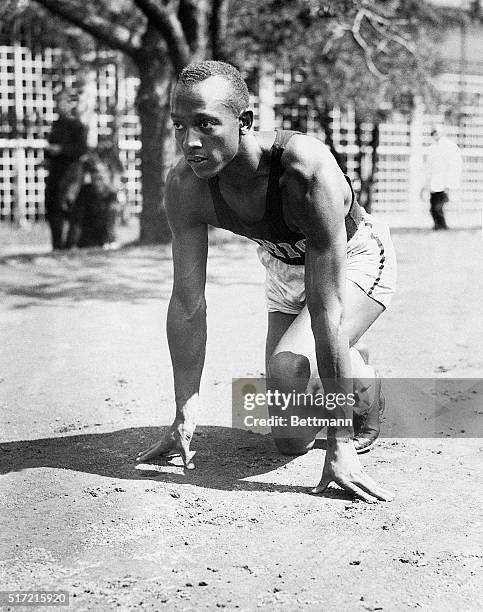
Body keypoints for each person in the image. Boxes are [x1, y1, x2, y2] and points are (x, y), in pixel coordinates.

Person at [136, 61, 397, 503]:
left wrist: (339, 445)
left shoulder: (305, 170)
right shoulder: (185, 184)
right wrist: (185, 412)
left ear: (244, 122)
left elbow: (327, 310)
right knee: (290, 439)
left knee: (285, 366)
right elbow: (186, 304)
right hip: (282, 267)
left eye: (205, 124)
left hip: (352, 259)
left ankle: (361, 383)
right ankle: (345, 360)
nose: (190, 142)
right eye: (179, 126)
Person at [44, 91, 88, 249]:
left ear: (71, 104)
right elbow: (49, 146)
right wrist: (48, 155)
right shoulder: (56, 125)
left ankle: (71, 244)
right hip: (56, 172)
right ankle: (57, 245)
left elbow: (82, 149)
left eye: (63, 101)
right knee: (52, 206)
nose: (59, 105)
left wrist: (62, 150)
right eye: (58, 101)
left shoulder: (78, 125)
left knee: (69, 206)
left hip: (71, 172)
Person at [66, 161, 118, 249]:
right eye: (95, 174)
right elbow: (77, 218)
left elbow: (111, 220)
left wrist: (111, 240)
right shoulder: (85, 191)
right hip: (86, 237)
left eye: (100, 176)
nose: (97, 178)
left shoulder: (111, 193)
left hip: (103, 237)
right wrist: (73, 242)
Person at [425, 125, 463, 230]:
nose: (434, 135)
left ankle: (442, 226)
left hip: (444, 182)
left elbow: (454, 166)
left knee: (438, 207)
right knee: (433, 207)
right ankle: (439, 226)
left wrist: (450, 183)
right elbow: (430, 168)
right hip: (435, 183)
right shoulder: (433, 148)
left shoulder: (450, 147)